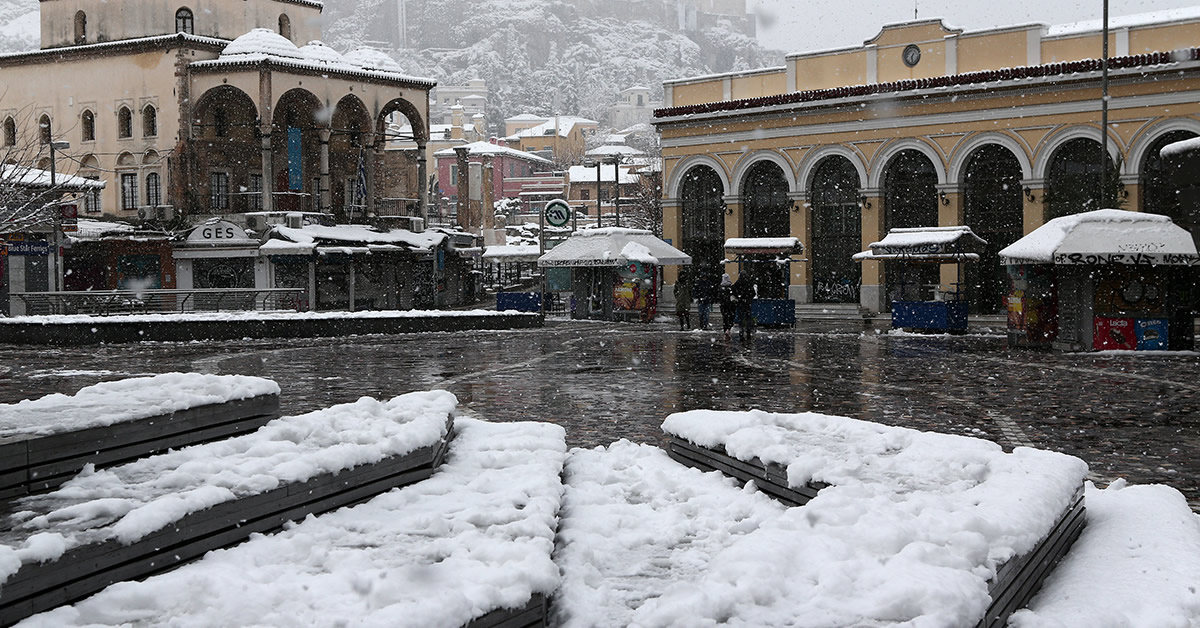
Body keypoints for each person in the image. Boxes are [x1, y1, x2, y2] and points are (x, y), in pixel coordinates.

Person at [731, 270, 756, 340]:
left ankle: (741, 332)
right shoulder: (749, 283)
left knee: (741, 318)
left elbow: (733, 290)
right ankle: (748, 332)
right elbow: (753, 293)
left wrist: (739, 297)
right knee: (748, 318)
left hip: (741, 303)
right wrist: (748, 298)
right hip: (747, 303)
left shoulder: (738, 283)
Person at [718, 273, 735, 340]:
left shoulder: (721, 287)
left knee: (725, 318)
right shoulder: (731, 287)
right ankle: (728, 329)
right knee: (731, 317)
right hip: (730, 305)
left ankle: (726, 330)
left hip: (723, 305)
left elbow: (719, 296)